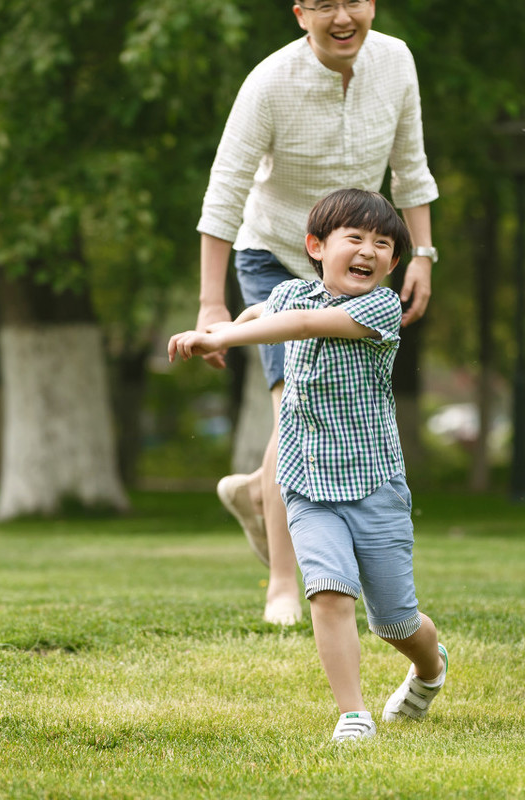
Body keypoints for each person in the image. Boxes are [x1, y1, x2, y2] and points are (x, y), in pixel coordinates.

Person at [170, 188, 447, 743]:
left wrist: (225, 334)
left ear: (393, 263)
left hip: (374, 488)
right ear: (316, 246)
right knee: (327, 592)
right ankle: (353, 714)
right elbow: (266, 310)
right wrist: (214, 332)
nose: (368, 250)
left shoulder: (380, 308)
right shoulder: (292, 292)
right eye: (355, 238)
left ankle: (430, 666)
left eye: (383, 244)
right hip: (306, 483)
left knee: (392, 619)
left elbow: (299, 326)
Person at [195, 0, 439, 625]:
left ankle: (257, 491)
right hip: (275, 253)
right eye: (324, 3)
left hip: (354, 258)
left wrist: (424, 255)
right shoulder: (270, 81)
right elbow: (225, 190)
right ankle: (282, 581)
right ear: (300, 12)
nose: (342, 16)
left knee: (304, 419)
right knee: (292, 411)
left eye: (352, 0)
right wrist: (212, 304)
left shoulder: (397, 60)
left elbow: (410, 167)